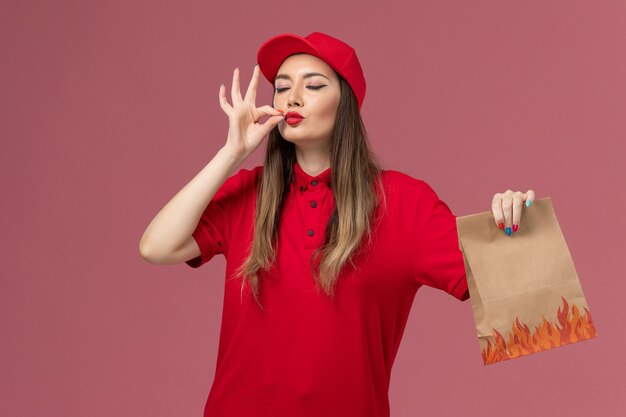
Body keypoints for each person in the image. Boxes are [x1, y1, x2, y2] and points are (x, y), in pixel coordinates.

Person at [139, 31, 536, 417]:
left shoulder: (401, 202)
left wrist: (514, 224)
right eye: (281, 87)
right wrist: (231, 153)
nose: (291, 97)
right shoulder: (249, 194)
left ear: (345, 101)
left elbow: (520, 298)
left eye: (313, 85)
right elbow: (156, 247)